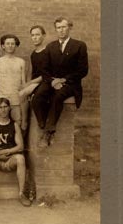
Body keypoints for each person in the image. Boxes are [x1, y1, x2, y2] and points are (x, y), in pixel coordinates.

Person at [31, 17, 88, 147]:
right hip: (52, 81)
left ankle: (48, 132)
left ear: (69, 27)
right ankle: (43, 123)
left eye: (64, 27)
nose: (61, 30)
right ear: (56, 29)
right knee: (37, 97)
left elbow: (83, 70)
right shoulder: (51, 47)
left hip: (70, 83)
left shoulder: (79, 45)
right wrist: (52, 81)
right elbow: (44, 69)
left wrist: (64, 80)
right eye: (58, 28)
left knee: (58, 96)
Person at [0, 98, 31, 207]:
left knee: (20, 158)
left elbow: (20, 146)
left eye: (5, 107)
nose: (3, 110)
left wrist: (8, 151)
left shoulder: (14, 125)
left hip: (10, 159)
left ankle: (21, 194)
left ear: (9, 108)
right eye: (0, 107)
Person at [0, 34, 27, 131]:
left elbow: (24, 83)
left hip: (16, 100)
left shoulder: (21, 62)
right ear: (3, 46)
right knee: (0, 125)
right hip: (2, 99)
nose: (10, 46)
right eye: (8, 43)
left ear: (16, 46)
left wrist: (23, 101)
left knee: (17, 126)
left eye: (12, 44)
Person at [19, 25, 47, 100]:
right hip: (34, 82)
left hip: (44, 82)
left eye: (37, 35)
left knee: (22, 94)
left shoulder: (47, 52)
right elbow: (31, 72)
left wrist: (29, 83)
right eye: (32, 35)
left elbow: (45, 75)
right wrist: (27, 83)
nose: (35, 37)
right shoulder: (33, 54)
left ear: (44, 36)